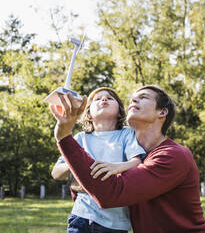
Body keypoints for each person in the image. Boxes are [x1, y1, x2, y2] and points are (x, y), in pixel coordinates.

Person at [50, 85, 205, 233]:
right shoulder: (131, 152)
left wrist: (64, 136)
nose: (134, 99)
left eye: (143, 97)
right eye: (132, 98)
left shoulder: (172, 156)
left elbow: (111, 194)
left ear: (162, 112)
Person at [51, 87, 146, 233]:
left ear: (120, 111)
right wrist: (76, 161)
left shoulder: (127, 134)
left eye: (110, 98)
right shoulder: (80, 138)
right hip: (81, 215)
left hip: (115, 221)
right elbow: (56, 174)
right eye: (97, 98)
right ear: (88, 113)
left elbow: (137, 162)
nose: (103, 99)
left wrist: (116, 167)